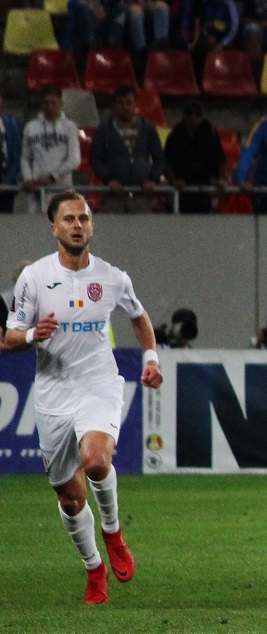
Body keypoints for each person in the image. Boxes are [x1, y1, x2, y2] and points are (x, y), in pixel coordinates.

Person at [3, 192, 162, 605]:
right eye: (69, 218)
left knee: (96, 460)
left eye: (84, 218)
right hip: (54, 393)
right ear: (54, 228)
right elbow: (9, 337)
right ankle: (94, 567)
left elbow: (138, 316)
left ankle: (113, 532)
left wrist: (150, 356)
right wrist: (32, 335)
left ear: (91, 226)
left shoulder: (112, 277)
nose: (78, 224)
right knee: (70, 498)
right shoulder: (34, 279)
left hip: (98, 383)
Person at [90, 88, 164, 215]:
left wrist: (153, 179)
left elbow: (159, 157)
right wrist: (108, 179)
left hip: (141, 195)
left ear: (135, 104)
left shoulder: (148, 128)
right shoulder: (104, 129)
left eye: (129, 103)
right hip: (113, 196)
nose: (125, 107)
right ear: (114, 105)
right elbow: (95, 158)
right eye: (120, 103)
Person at [19, 87, 80, 214]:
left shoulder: (69, 127)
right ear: (41, 104)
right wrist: (28, 179)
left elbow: (74, 159)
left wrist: (53, 177)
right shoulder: (31, 127)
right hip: (36, 188)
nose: (50, 106)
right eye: (46, 103)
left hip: (62, 188)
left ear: (61, 103)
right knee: (34, 229)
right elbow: (25, 158)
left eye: (53, 102)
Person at [163, 102, 227, 214]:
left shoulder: (211, 133)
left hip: (204, 186)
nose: (193, 117)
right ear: (184, 115)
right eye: (189, 113)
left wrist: (219, 179)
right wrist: (174, 180)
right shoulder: (175, 134)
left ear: (203, 115)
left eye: (198, 114)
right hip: (181, 187)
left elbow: (220, 159)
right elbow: (167, 161)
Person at [61, 0, 117, 68]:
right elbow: (72, 25)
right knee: (82, 6)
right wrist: (66, 47)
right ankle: (92, 44)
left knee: (121, 8)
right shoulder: (75, 0)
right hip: (83, 39)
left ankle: (115, 43)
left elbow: (102, 18)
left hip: (102, 36)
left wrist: (92, 0)